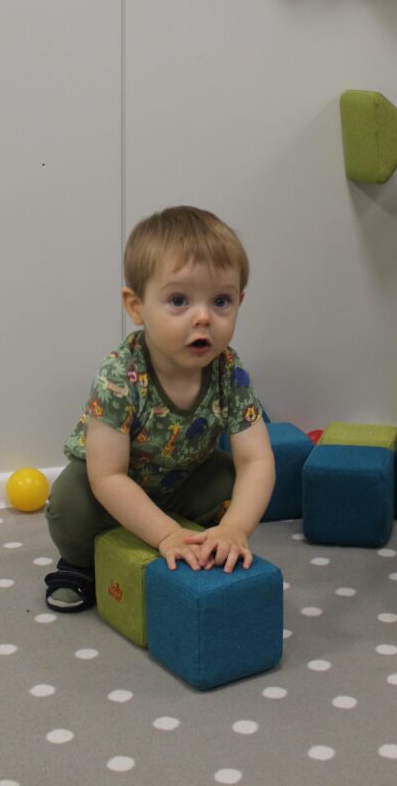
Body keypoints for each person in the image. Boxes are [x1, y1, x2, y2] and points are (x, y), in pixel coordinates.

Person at [44, 206, 275, 611]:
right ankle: (80, 565)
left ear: (240, 301)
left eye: (221, 301)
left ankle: (205, 540)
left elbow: (255, 459)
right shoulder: (120, 374)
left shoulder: (229, 371)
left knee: (229, 478)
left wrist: (236, 527)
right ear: (136, 306)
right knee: (68, 504)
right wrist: (165, 533)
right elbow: (107, 475)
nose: (203, 317)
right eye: (179, 300)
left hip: (184, 480)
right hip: (114, 483)